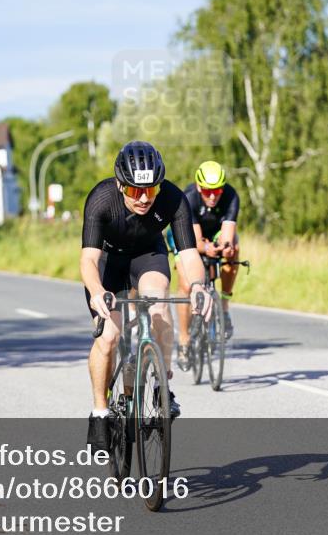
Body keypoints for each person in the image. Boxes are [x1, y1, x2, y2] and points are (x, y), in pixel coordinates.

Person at [81, 141, 211, 452]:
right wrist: (98, 292)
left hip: (148, 255)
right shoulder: (101, 199)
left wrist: (196, 287)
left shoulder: (174, 199)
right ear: (119, 184)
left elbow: (190, 255)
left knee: (159, 305)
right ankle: (100, 410)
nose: (143, 198)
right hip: (107, 263)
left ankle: (161, 387)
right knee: (110, 336)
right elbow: (88, 259)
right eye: (135, 191)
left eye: (151, 190)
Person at [175, 160, 242, 362]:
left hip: (215, 232)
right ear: (198, 186)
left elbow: (228, 233)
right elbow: (194, 242)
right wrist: (206, 249)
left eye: (217, 191)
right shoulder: (189, 198)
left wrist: (225, 247)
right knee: (186, 285)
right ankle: (184, 339)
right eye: (207, 191)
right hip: (189, 236)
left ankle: (224, 306)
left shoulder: (231, 196)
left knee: (233, 251)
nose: (212, 196)